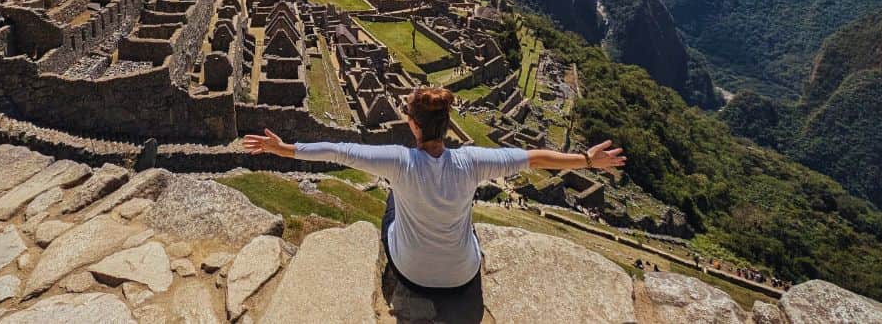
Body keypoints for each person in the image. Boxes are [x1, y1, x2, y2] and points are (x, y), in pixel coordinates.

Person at [244, 86, 626, 293]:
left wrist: (285, 149)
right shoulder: (473, 162)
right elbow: (534, 159)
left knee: (394, 200)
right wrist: (587, 160)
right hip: (463, 275)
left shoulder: (398, 162)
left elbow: (338, 152)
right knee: (463, 216)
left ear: (413, 125)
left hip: (410, 272)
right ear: (446, 125)